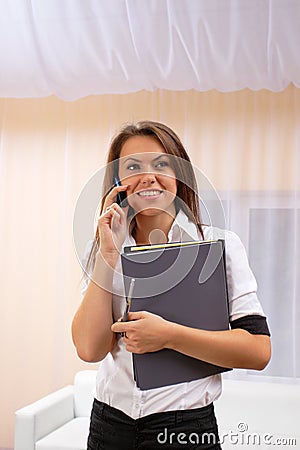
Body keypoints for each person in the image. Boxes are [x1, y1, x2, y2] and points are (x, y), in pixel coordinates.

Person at [71, 120, 271, 450]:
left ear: (180, 173)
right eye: (133, 166)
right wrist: (108, 252)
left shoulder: (219, 244)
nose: (147, 176)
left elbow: (258, 351)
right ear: (118, 183)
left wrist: (168, 335)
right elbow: (90, 349)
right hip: (109, 426)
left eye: (161, 163)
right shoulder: (106, 248)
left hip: (186, 429)